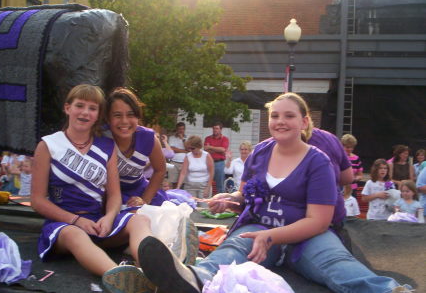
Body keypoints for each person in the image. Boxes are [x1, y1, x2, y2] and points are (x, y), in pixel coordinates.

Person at [136, 92, 411, 293]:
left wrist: (270, 236)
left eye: (289, 116)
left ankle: (390, 291)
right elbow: (247, 196)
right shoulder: (260, 152)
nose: (280, 121)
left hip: (307, 236)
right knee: (231, 251)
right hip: (259, 228)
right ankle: (191, 279)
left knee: (337, 265)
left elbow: (319, 220)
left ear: (304, 122)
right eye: (275, 116)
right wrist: (229, 201)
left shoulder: (318, 161)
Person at [31, 84, 156, 293]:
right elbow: (37, 200)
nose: (85, 112)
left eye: (92, 108)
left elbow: (115, 195)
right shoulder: (48, 145)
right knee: (75, 235)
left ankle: (151, 271)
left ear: (98, 115)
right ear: (67, 108)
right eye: (80, 105)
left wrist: (108, 218)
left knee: (140, 219)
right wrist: (77, 221)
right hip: (64, 225)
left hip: (98, 223)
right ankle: (123, 280)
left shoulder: (106, 147)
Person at [104, 87, 168, 210]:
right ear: (108, 118)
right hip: (108, 194)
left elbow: (160, 169)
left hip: (139, 189)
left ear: (138, 116)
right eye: (117, 115)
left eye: (131, 115)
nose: (124, 121)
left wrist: (145, 200)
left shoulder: (148, 138)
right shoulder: (100, 137)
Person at [176, 135, 214, 201]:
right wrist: (178, 187)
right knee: (191, 208)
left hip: (204, 185)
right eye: (189, 148)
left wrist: (208, 188)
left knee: (204, 208)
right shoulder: (188, 156)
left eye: (193, 148)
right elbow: (183, 173)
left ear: (199, 146)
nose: (191, 150)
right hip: (190, 185)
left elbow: (211, 172)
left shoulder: (206, 155)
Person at [204, 122, 229, 193]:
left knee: (220, 185)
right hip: (208, 163)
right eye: (214, 128)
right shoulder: (208, 138)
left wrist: (210, 147)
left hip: (219, 163)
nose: (215, 130)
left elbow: (223, 149)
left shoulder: (225, 139)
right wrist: (218, 149)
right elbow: (206, 149)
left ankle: (220, 202)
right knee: (207, 183)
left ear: (221, 130)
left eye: (217, 128)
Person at [168, 122, 188, 188]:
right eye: (179, 129)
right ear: (176, 129)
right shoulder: (172, 138)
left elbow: (188, 148)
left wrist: (183, 139)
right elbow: (172, 149)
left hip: (184, 162)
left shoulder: (187, 138)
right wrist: (185, 151)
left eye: (182, 129)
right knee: (172, 181)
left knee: (183, 182)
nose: (181, 130)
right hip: (174, 161)